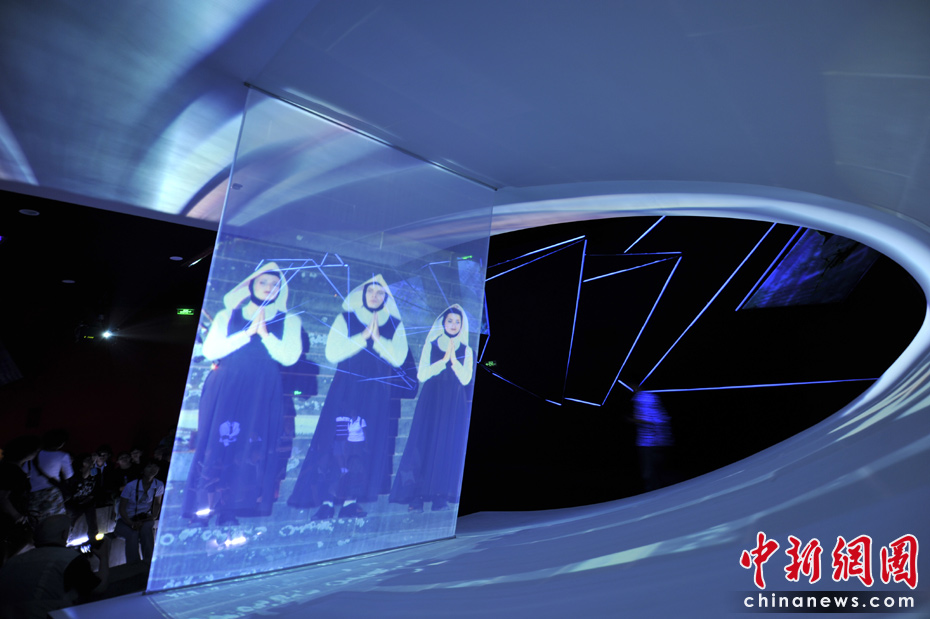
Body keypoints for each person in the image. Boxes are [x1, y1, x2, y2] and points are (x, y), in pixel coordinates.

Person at [182, 262, 302, 525]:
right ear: (251, 285)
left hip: (262, 389)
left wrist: (265, 334)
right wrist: (247, 333)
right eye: (263, 282)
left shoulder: (290, 320)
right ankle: (203, 508)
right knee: (216, 444)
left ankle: (231, 508)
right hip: (227, 386)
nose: (269, 287)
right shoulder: (228, 315)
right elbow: (211, 351)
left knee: (249, 448)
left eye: (275, 284)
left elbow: (289, 357)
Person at [289, 274, 409, 519]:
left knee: (363, 445)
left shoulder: (394, 323)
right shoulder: (346, 318)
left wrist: (378, 339)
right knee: (336, 441)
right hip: (345, 390)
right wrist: (363, 336)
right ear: (362, 294)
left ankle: (351, 501)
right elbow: (332, 353)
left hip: (375, 392)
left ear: (386, 297)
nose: (374, 296)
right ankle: (325, 499)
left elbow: (398, 358)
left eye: (380, 293)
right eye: (370, 292)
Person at [390, 305, 474, 512]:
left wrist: (453, 361)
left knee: (446, 445)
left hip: (453, 403)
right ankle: (416, 495)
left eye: (457, 322)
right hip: (432, 400)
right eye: (450, 321)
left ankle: (439, 496)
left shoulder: (466, 350)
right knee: (423, 443)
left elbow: (466, 379)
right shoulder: (432, 344)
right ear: (443, 323)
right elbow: (422, 375)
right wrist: (444, 360)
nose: (453, 325)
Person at [0, 514, 109, 618]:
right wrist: (104, 557)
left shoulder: (12, 562)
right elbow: (99, 588)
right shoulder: (70, 559)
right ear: (64, 534)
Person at [0, 436, 40, 567]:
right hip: (8, 521)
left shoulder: (6, 467)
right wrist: (17, 516)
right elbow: (3, 497)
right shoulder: (13, 472)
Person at [114, 460, 164, 565]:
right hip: (126, 519)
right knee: (132, 534)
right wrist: (130, 523)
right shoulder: (131, 486)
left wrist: (153, 516)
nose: (153, 469)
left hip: (144, 518)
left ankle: (148, 562)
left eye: (155, 466)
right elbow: (122, 508)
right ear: (143, 470)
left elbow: (157, 503)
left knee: (146, 529)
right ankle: (134, 565)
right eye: (149, 466)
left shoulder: (159, 484)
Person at [22, 430, 73, 522]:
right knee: (55, 521)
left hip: (33, 493)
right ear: (61, 443)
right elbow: (68, 475)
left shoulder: (34, 454)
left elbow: (25, 472)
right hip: (52, 492)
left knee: (36, 520)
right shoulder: (62, 455)